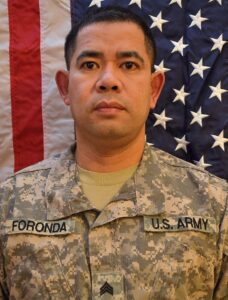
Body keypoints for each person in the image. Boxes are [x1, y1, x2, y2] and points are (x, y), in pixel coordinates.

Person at [0, 6, 227, 300]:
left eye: (129, 65)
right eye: (90, 64)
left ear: (154, 89)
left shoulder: (216, 206)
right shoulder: (9, 207)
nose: (108, 80)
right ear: (65, 88)